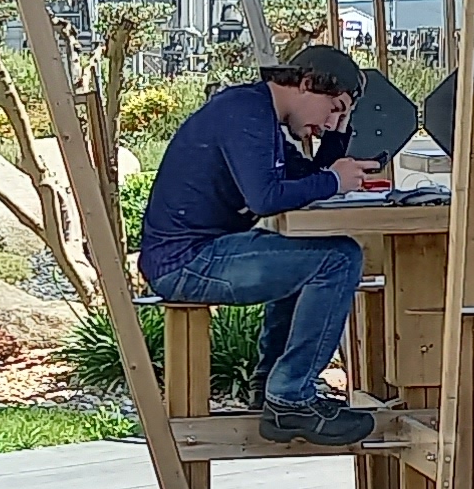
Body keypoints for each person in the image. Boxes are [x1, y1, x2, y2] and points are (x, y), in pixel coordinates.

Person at [138, 42, 385, 444]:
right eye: (334, 108)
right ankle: (291, 398)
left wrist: (337, 147)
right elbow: (266, 198)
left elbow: (302, 176)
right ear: (307, 83)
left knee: (309, 256)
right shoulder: (246, 113)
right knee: (338, 258)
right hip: (186, 261)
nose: (329, 122)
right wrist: (334, 181)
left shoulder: (256, 113)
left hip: (198, 253)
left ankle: (273, 386)